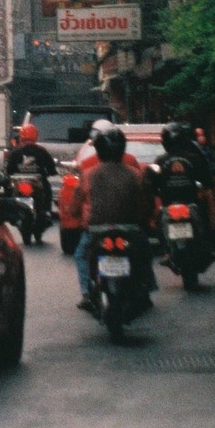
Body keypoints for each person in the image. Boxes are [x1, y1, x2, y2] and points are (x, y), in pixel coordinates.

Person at [71, 124, 153, 313]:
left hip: (96, 230)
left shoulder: (88, 174)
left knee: (81, 255)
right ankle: (146, 289)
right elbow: (145, 204)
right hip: (130, 229)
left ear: (99, 150)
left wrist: (75, 215)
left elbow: (75, 204)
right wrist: (145, 219)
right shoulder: (135, 173)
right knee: (144, 252)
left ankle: (86, 293)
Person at [5, 121, 58, 227]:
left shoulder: (16, 152)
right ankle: (47, 211)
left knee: (9, 190)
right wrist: (51, 172)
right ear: (35, 136)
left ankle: (12, 212)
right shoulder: (41, 151)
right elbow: (51, 168)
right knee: (47, 189)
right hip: (37, 183)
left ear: (21, 136)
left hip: (19, 183)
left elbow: (9, 170)